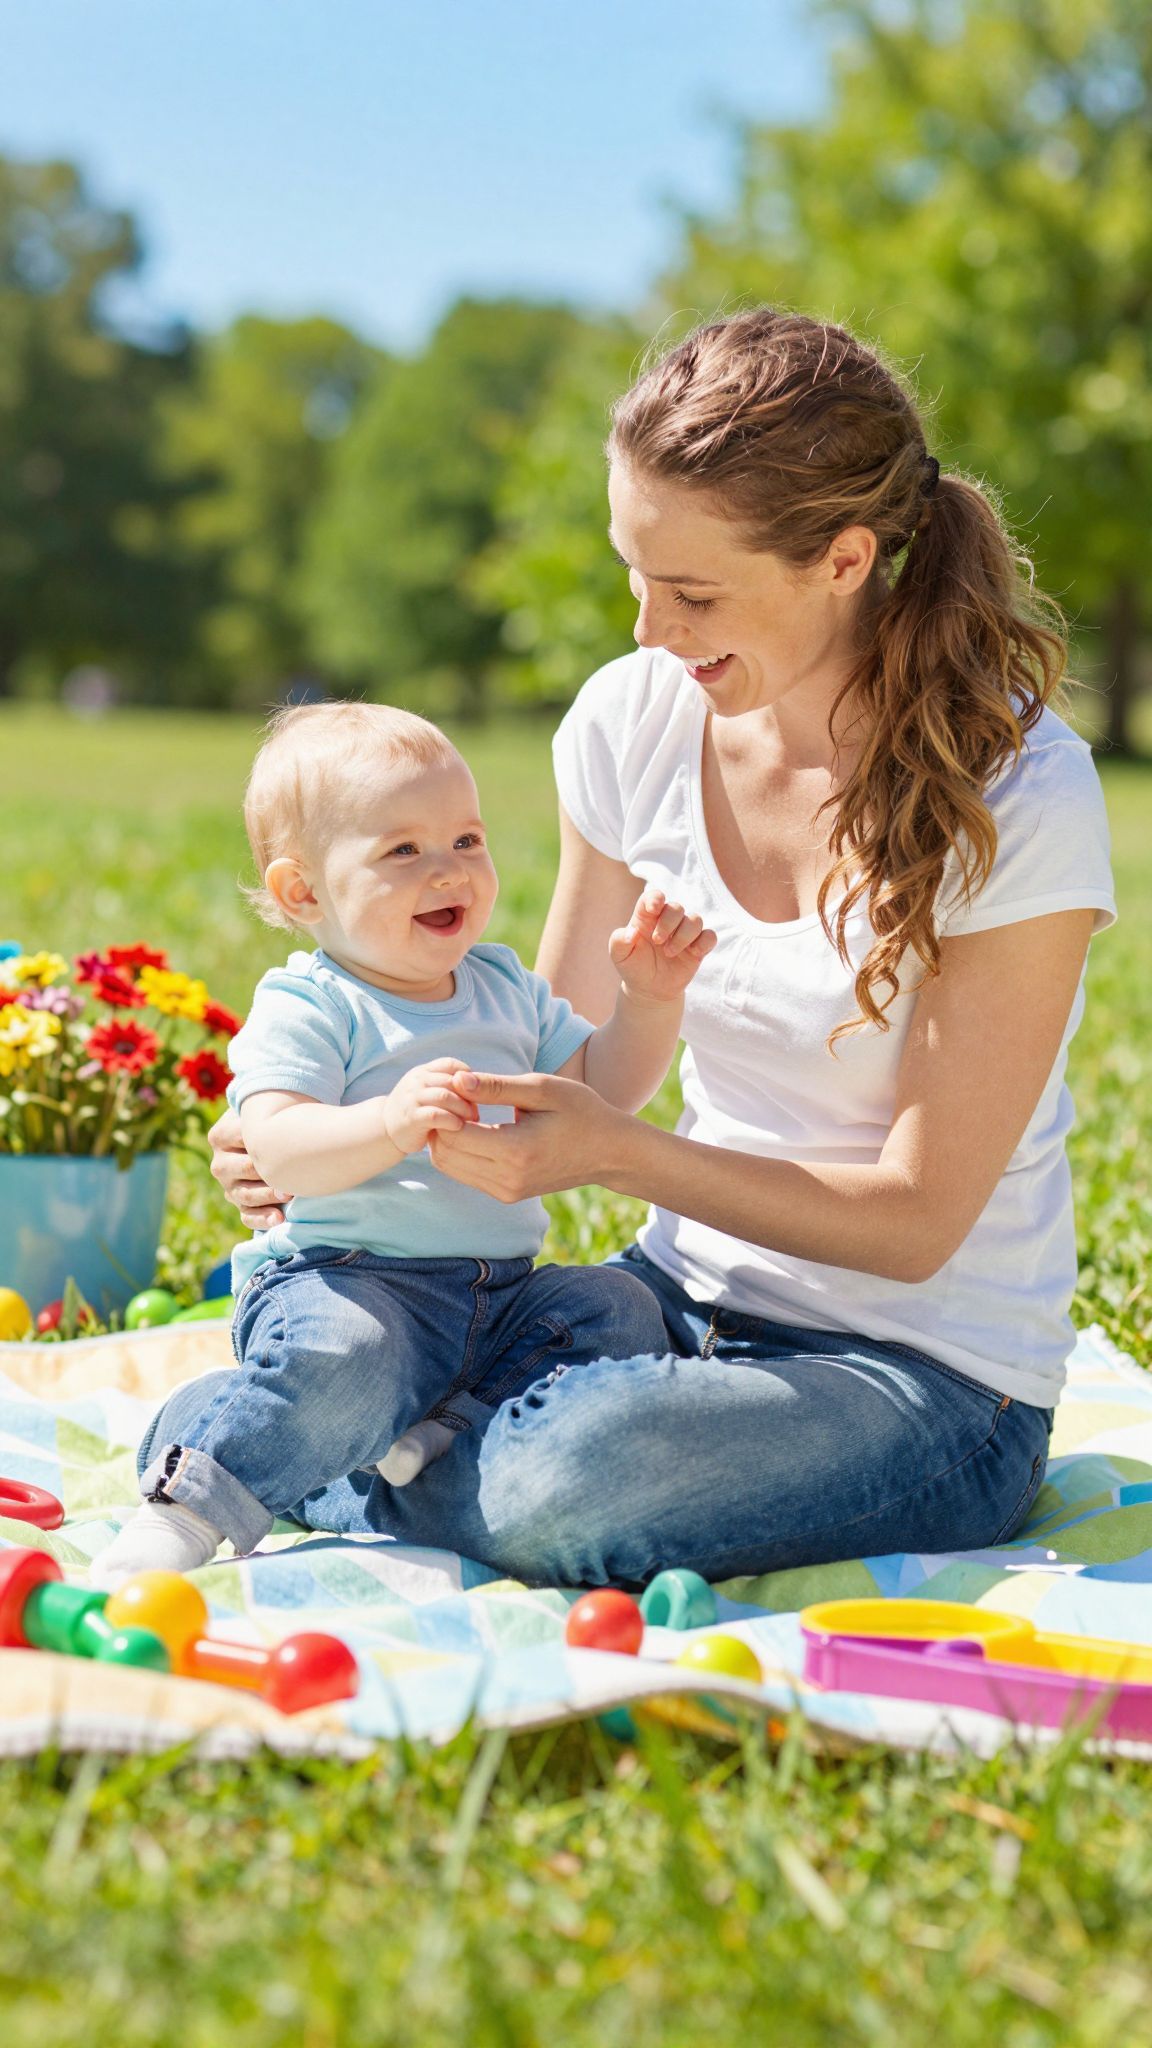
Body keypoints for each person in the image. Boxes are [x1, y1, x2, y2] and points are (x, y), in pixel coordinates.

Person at [195, 309, 1116, 1591]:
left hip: (925, 1379)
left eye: (691, 594)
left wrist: (615, 1151)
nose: (646, 631)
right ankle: (349, 1427)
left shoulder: (1015, 787)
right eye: (635, 575)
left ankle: (319, 1453)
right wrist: (317, 1122)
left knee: (567, 1471)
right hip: (668, 1303)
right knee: (398, 1327)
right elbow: (552, 1044)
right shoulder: (633, 719)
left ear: (845, 558)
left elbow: (916, 1222)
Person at [92, 702, 713, 1586]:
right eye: (403, 852)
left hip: (501, 1296)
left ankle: (433, 1434)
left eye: (466, 840)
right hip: (348, 1282)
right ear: (304, 892)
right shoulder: (312, 1002)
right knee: (347, 1361)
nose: (449, 872)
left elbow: (600, 1090)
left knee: (616, 1307)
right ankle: (191, 1502)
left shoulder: (504, 986)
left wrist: (649, 1002)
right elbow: (279, 1148)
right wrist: (388, 1123)